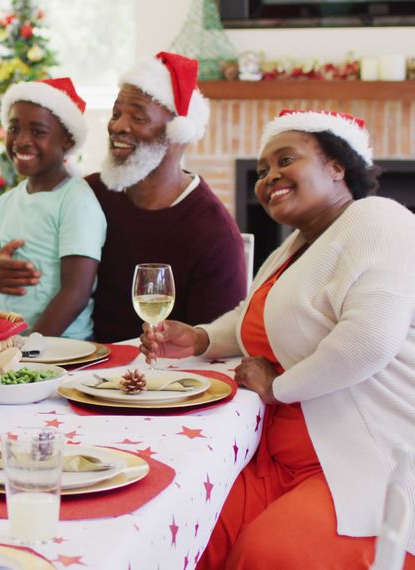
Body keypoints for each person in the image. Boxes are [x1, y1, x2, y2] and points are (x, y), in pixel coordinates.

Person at [140, 110, 415, 568]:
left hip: (359, 462)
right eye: (263, 170)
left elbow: (369, 340)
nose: (269, 178)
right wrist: (202, 339)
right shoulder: (297, 245)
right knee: (185, 527)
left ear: (336, 167)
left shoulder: (377, 219)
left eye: (286, 160)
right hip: (275, 460)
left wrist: (277, 387)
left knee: (266, 555)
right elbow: (257, 318)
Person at [0, 52, 245, 342]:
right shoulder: (89, 193)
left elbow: (214, 348)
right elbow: (39, 262)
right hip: (78, 368)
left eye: (138, 117)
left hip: (160, 380)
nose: (118, 126)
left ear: (176, 132)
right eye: (116, 113)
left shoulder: (215, 235)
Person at [0, 77, 105, 339]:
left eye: (38, 132)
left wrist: (27, 350)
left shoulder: (76, 201)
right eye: (14, 129)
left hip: (61, 352)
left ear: (67, 140)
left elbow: (75, 294)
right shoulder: (4, 204)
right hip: (6, 350)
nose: (22, 140)